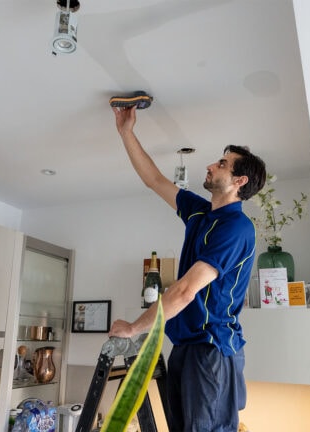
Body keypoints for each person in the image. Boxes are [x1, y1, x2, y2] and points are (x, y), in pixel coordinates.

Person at [108, 106, 267, 431]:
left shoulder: (236, 227)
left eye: (222, 163)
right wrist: (126, 132)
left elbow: (184, 291)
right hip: (186, 345)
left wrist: (135, 327)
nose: (210, 165)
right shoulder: (199, 211)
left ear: (239, 180)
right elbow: (153, 179)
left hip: (211, 350)